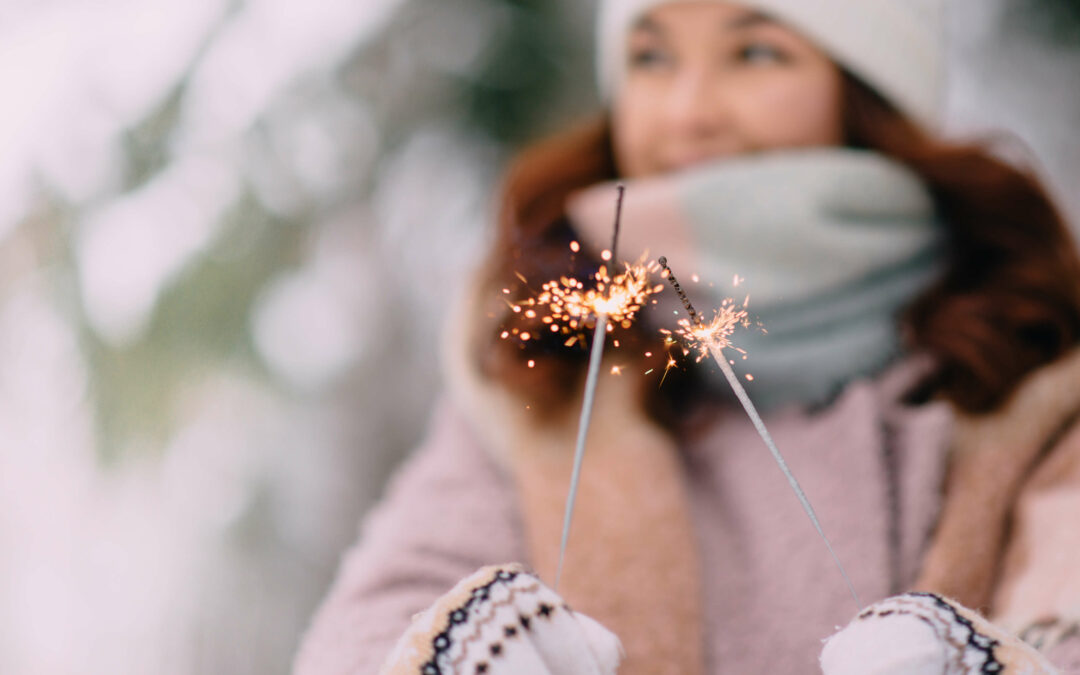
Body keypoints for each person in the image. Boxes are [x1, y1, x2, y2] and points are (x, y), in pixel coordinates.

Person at [294, 1, 1080, 673]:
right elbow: (360, 631)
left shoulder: (1030, 350)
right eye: (651, 56)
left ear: (865, 88)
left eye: (754, 51)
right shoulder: (545, 374)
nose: (687, 111)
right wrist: (461, 652)